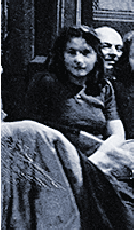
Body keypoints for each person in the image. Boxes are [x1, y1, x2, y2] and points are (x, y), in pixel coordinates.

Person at [25, 25, 125, 160]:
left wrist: (99, 156)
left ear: (97, 56)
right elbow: (34, 131)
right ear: (62, 55)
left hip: (98, 155)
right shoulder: (46, 83)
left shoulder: (104, 88)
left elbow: (117, 134)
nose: (78, 60)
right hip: (58, 156)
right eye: (71, 52)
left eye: (86, 53)